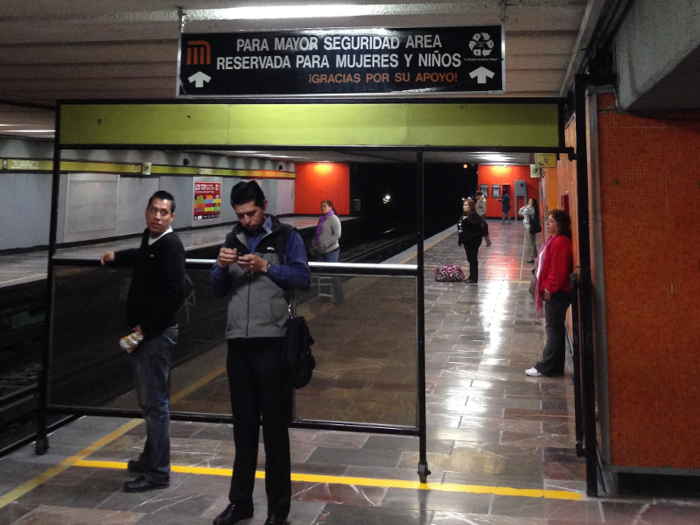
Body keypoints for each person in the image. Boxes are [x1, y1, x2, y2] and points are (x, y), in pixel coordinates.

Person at [211, 181, 310, 525]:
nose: (248, 220)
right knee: (243, 430)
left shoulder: (286, 237)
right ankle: (241, 503)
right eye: (240, 215)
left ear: (264, 206)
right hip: (238, 346)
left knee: (275, 431)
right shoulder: (232, 239)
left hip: (273, 344)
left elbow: (302, 276)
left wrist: (266, 267)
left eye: (252, 212)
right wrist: (221, 267)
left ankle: (278, 510)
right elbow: (215, 289)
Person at [100, 190, 186, 492]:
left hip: (156, 335)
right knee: (150, 402)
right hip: (147, 334)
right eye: (153, 210)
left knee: (155, 406)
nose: (157, 216)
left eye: (164, 212)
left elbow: (177, 292)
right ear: (146, 211)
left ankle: (158, 472)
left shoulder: (171, 245)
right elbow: (140, 257)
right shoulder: (150, 239)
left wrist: (145, 329)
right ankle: (150, 458)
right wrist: (116, 257)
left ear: (172, 217)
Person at [526, 209, 574, 377]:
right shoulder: (554, 240)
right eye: (547, 220)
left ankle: (545, 366)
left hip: (558, 292)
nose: (547, 223)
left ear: (559, 225)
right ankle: (555, 367)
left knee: (552, 329)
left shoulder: (560, 242)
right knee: (556, 329)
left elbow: (558, 270)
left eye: (551, 221)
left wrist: (549, 288)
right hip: (558, 291)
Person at [313, 199, 344, 304]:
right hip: (321, 252)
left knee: (334, 275)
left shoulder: (334, 219)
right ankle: (325, 297)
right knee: (323, 276)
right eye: (321, 206)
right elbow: (317, 233)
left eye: (325, 206)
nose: (322, 208)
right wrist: (314, 245)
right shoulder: (322, 219)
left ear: (330, 207)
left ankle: (339, 299)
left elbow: (337, 235)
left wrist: (325, 244)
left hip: (331, 251)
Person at [457, 198, 483, 283]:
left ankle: (473, 278)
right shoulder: (466, 214)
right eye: (464, 205)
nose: (464, 207)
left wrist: (467, 220)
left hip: (472, 241)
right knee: (470, 259)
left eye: (466, 205)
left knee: (472, 259)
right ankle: (472, 276)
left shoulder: (472, 215)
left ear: (471, 206)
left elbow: (476, 225)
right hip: (467, 240)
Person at [518, 198, 540, 263]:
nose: (529, 202)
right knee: (530, 241)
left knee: (530, 242)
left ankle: (532, 257)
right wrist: (524, 207)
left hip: (529, 226)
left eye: (531, 201)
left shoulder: (532, 209)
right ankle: (534, 255)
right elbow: (520, 212)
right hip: (527, 226)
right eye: (529, 201)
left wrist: (526, 207)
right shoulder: (529, 208)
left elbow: (525, 212)